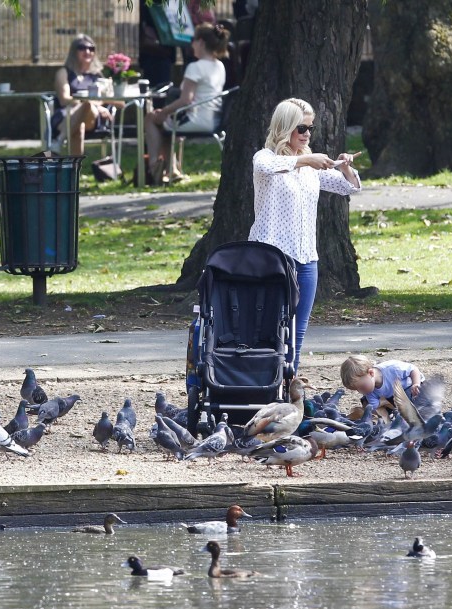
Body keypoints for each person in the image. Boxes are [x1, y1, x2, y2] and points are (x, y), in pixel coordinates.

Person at [249, 98, 362, 373]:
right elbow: (268, 166)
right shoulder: (265, 158)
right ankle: (263, 382)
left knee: (297, 333)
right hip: (272, 256)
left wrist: (345, 165)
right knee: (271, 326)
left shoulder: (311, 167)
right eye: (302, 128)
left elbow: (350, 188)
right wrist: (303, 160)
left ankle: (290, 387)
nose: (307, 134)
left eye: (310, 128)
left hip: (306, 257)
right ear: (285, 127)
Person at [144, 23, 230, 184]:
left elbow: (186, 99)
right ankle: (172, 169)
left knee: (151, 118)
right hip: (214, 120)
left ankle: (154, 168)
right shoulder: (220, 66)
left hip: (196, 120)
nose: (191, 44)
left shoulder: (195, 67)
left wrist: (164, 111)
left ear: (201, 42)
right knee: (166, 124)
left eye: (194, 40)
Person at [51, 34, 114, 156]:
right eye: (82, 48)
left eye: (91, 48)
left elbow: (106, 97)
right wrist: (90, 104)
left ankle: (59, 140)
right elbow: (64, 100)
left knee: (88, 104)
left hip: (93, 117)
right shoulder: (63, 73)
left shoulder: (98, 76)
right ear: (74, 51)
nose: (87, 51)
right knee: (79, 127)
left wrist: (94, 106)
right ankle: (75, 173)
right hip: (66, 114)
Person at [341, 355, 423, 417]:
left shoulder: (392, 368)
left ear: (371, 373)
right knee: (366, 402)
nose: (361, 391)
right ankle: (397, 414)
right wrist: (371, 411)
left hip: (410, 387)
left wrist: (416, 384)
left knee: (409, 401)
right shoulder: (369, 391)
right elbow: (375, 407)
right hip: (393, 395)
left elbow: (413, 369)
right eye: (357, 389)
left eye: (362, 387)